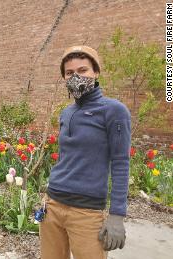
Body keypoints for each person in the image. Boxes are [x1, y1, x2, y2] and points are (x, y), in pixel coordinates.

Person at [40, 46, 131, 259]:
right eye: (70, 73)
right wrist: (46, 193)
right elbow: (66, 157)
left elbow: (121, 163)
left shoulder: (114, 111)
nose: (76, 77)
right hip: (52, 205)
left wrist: (117, 215)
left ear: (96, 72)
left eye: (83, 70)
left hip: (86, 212)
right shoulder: (67, 112)